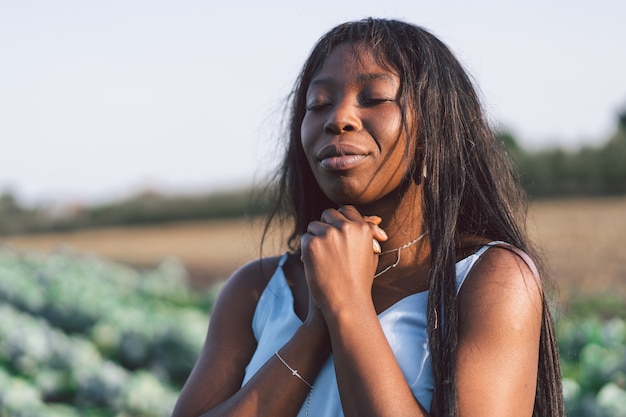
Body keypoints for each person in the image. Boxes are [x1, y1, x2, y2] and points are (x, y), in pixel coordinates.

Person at [172, 18, 564, 417]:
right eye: (318, 103)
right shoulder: (256, 290)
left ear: (436, 128)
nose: (337, 118)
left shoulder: (492, 280)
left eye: (374, 98)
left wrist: (348, 304)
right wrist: (315, 329)